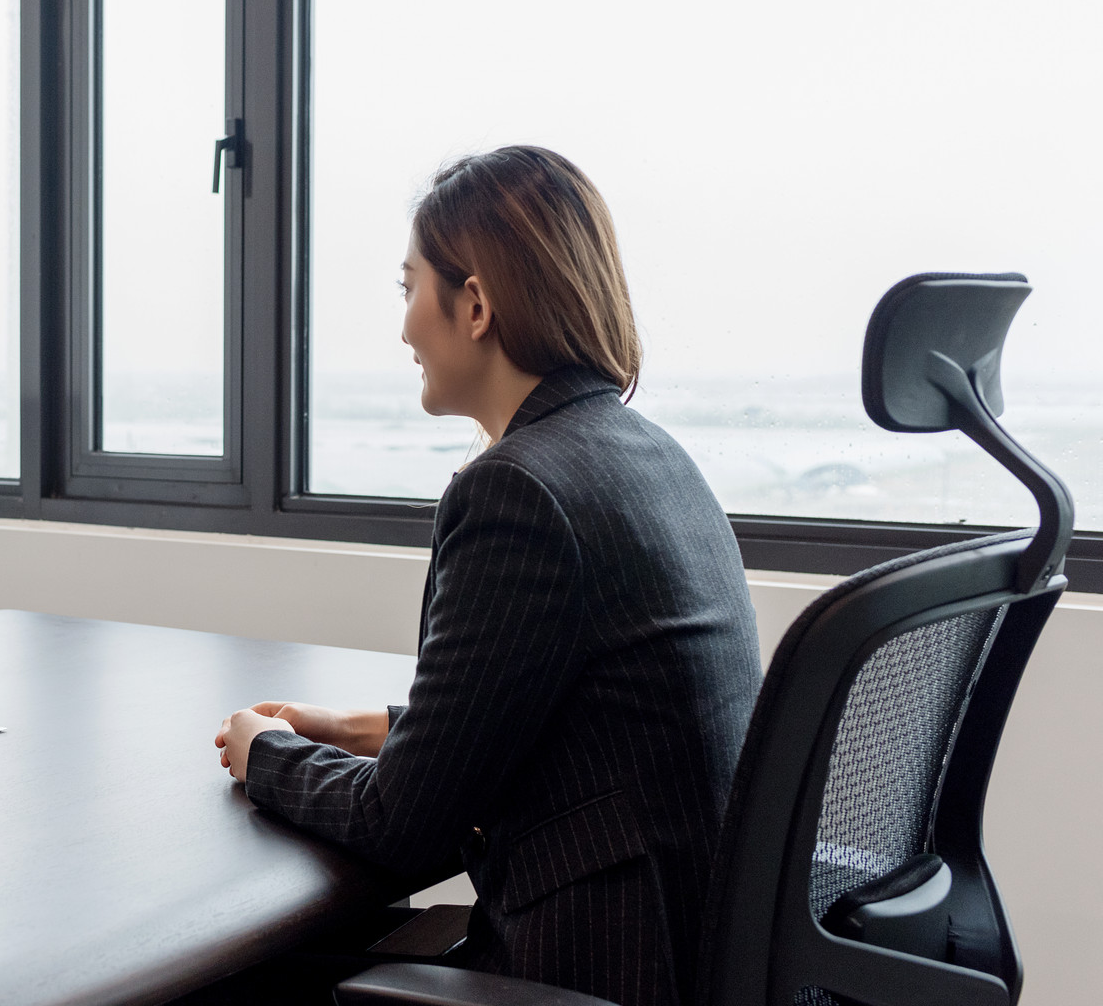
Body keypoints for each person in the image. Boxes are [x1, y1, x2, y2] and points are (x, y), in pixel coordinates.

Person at [214, 147, 762, 1006]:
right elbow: (581, 723)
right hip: (686, 946)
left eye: (408, 290)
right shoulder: (645, 455)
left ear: (474, 304)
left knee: (234, 986)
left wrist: (265, 755)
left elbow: (401, 827)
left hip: (596, 969)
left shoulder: (519, 491)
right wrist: (379, 729)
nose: (403, 329)